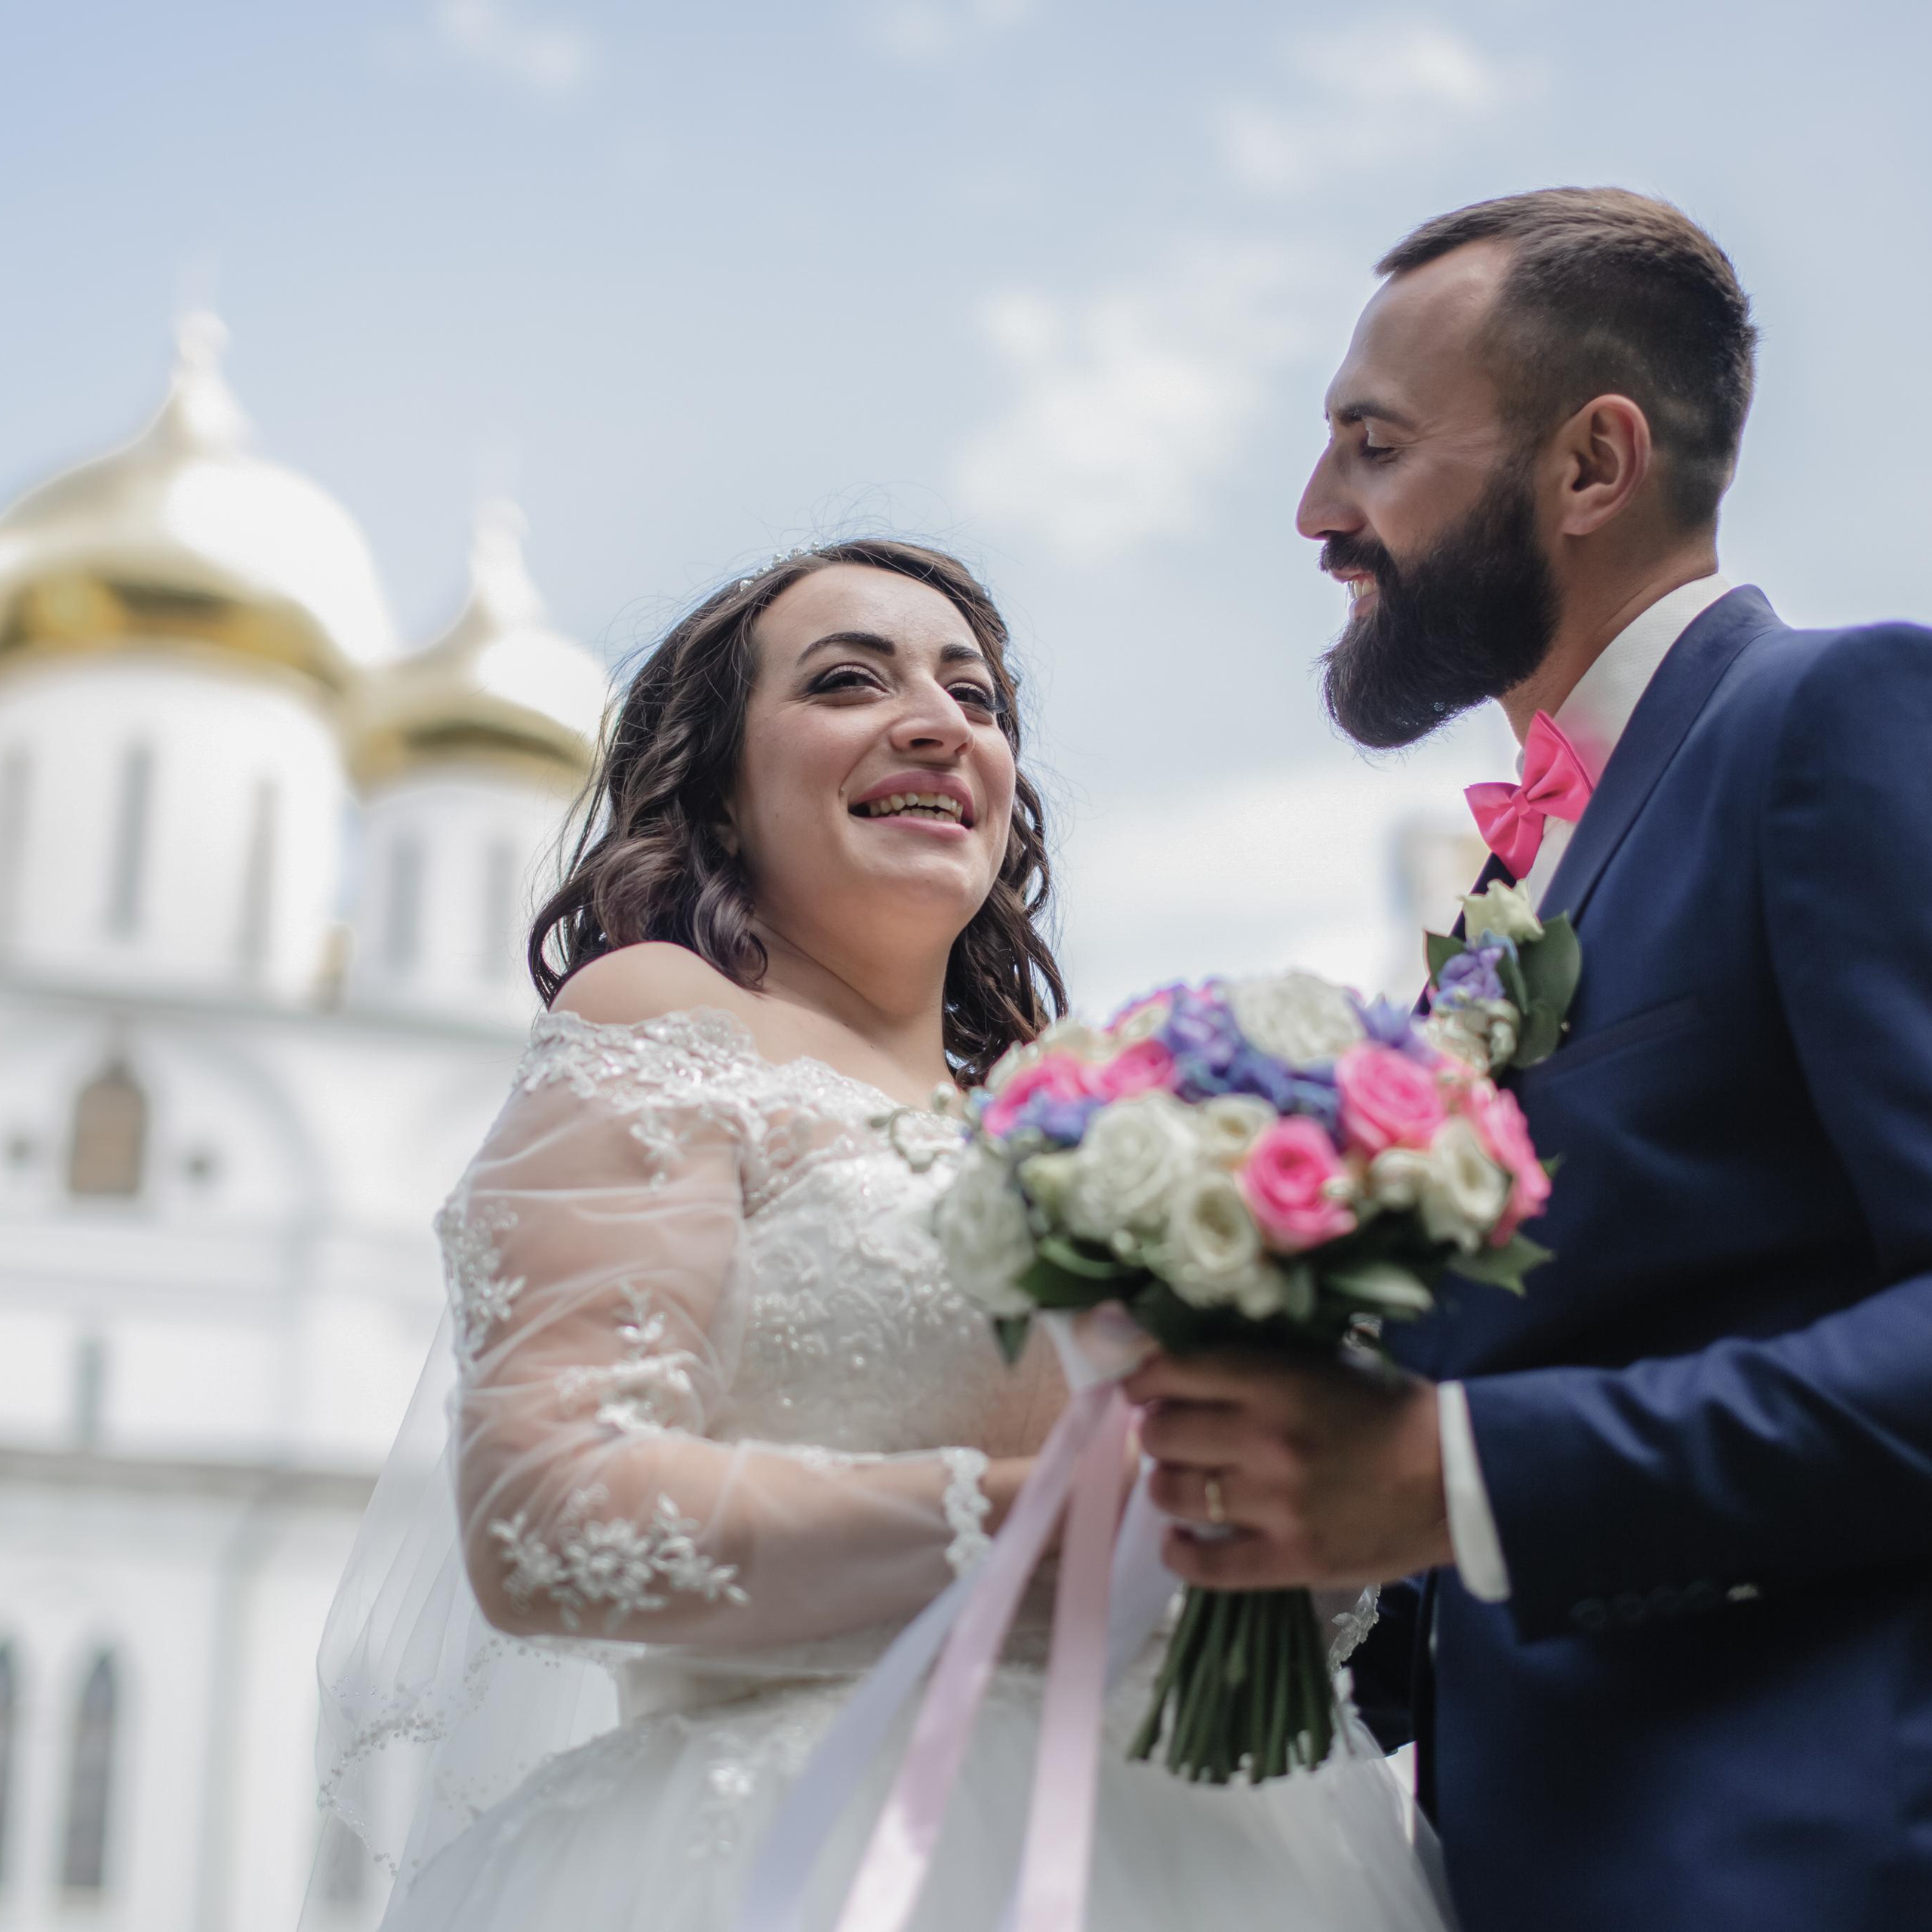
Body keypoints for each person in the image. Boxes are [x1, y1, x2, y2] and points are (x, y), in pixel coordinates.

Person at [309, 538, 1453, 1931]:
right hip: (810, 1854)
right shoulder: (665, 1018)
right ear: (719, 790)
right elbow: (548, 1517)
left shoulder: (1089, 1128)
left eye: (976, 699)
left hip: (1222, 1855)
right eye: (849, 680)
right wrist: (1062, 1521)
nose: (937, 721)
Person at [1129, 187, 1932, 1930]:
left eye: (1370, 444)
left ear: (1589, 466)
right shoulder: (1511, 886)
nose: (1314, 512)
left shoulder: (1833, 723)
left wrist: (1451, 1472)